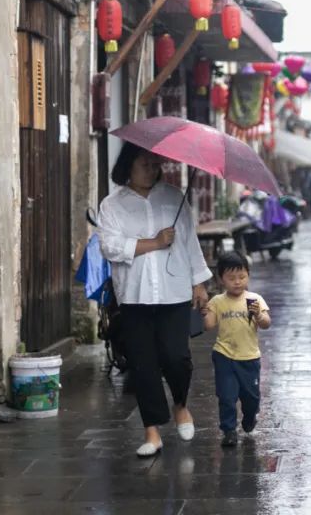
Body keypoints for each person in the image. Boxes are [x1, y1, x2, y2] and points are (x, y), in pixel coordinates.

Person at [97, 143, 210, 458]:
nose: (151, 170)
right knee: (142, 363)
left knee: (177, 357)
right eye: (144, 164)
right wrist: (154, 242)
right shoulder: (112, 205)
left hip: (174, 291)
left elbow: (189, 242)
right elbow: (109, 246)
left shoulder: (173, 197)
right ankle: (152, 430)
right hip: (134, 295)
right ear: (128, 166)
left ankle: (180, 405)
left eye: (155, 164)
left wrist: (199, 282)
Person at [201, 251, 271, 448]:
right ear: (221, 279)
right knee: (226, 396)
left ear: (248, 275)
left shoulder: (254, 299)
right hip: (224, 355)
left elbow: (266, 323)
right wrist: (205, 314)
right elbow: (209, 325)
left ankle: (250, 417)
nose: (237, 282)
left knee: (251, 397)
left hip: (249, 357)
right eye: (231, 278)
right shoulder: (217, 301)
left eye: (242, 277)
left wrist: (259, 316)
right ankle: (229, 430)